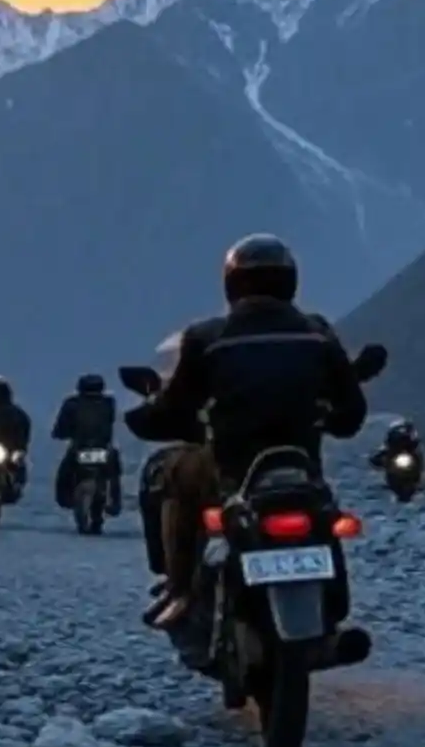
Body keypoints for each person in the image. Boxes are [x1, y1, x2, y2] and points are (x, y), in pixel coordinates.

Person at [127, 234, 369, 628]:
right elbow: (352, 411)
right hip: (302, 465)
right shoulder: (318, 332)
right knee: (321, 508)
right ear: (291, 282)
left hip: (232, 468)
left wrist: (151, 418)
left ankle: (180, 588)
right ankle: (330, 606)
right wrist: (332, 420)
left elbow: (174, 407)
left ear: (232, 282)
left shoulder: (206, 338)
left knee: (171, 474)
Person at [51, 373, 122, 515]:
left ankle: (66, 499)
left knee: (64, 472)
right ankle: (114, 502)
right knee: (114, 473)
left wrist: (60, 433)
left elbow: (61, 426)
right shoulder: (108, 403)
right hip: (101, 448)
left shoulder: (72, 403)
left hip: (82, 447)